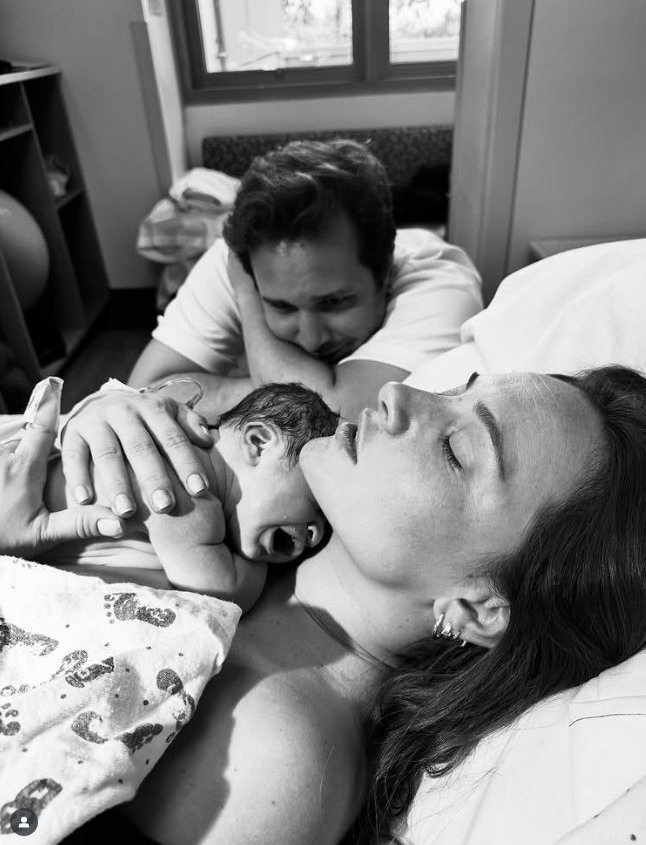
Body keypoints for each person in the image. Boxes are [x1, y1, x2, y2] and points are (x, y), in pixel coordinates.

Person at [3, 365, 646, 845]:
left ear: (478, 610)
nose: (398, 396)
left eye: (456, 449)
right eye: (454, 389)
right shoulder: (256, 523)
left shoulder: (278, 761)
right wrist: (102, 428)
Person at [58, 139, 482, 521]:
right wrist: (253, 300)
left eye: (334, 303)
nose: (311, 338)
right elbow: (145, 390)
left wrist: (249, 305)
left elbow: (337, 416)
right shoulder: (240, 261)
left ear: (384, 270)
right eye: (279, 306)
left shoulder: (440, 280)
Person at [38, 380, 339, 612]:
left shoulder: (176, 447)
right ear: (259, 443)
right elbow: (221, 595)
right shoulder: (189, 495)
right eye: (317, 497)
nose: (316, 535)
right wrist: (258, 569)